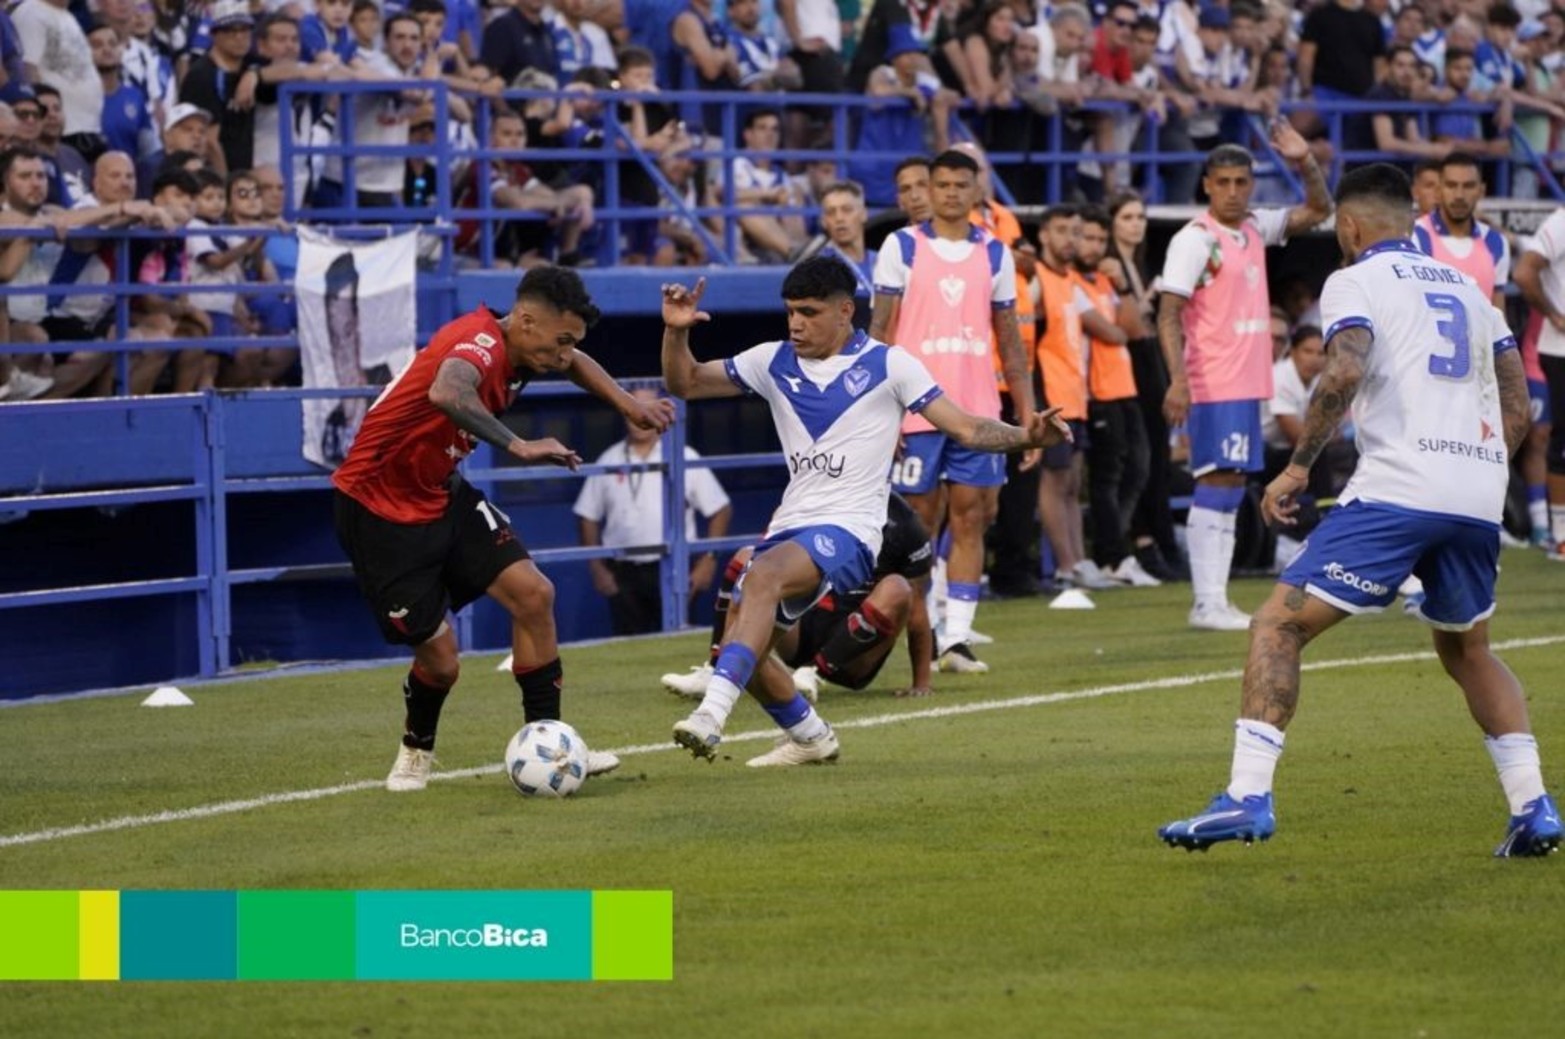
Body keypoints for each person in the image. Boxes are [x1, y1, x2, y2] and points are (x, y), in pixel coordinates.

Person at [1158, 162, 1561, 859]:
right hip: (1474, 492)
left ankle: (1246, 796)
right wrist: (1479, 467)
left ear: (1347, 225)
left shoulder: (1353, 280)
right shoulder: (1470, 290)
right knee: (1469, 650)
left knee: (1276, 626)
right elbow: (1518, 405)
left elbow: (1341, 369)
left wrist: (1296, 466)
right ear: (1412, 218)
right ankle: (1533, 807)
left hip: (1399, 485)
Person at [659, 256, 1068, 766]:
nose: (795, 324)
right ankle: (812, 738)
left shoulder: (889, 365)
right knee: (749, 645)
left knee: (759, 576)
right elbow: (686, 384)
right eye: (790, 312)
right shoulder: (771, 361)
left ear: (845, 311)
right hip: (791, 524)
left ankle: (711, 716)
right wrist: (676, 334)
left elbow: (964, 428)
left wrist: (1025, 436)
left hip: (851, 529)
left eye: (808, 312)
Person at [331, 265, 675, 792]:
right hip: (378, 509)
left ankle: (552, 740)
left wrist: (630, 404)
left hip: (442, 493)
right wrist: (519, 445)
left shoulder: (528, 345)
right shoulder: (478, 343)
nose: (563, 356)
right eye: (559, 341)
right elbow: (448, 393)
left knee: (534, 594)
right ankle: (416, 748)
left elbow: (577, 362)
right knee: (443, 665)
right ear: (527, 319)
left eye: (571, 343)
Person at [1157, 122, 1332, 631]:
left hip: (1246, 381)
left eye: (1241, 182)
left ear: (1251, 183)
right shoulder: (1195, 240)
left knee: (1230, 486)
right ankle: (1207, 601)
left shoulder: (1255, 227)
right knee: (1216, 482)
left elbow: (1319, 210)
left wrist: (1304, 161)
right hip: (1214, 379)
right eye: (1223, 182)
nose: (1233, 191)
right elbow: (1169, 313)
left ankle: (1214, 598)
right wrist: (1178, 379)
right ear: (1207, 184)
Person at [871, 148, 1038, 672]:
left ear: (974, 190)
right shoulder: (901, 247)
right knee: (920, 524)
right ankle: (927, 631)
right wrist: (882, 411)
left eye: (958, 185)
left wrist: (1026, 415)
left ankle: (957, 639)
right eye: (939, 184)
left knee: (972, 520)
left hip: (978, 411)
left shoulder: (995, 253)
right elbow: (878, 333)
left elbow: (1010, 342)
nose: (948, 193)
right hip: (918, 410)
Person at [662, 490, 935, 700]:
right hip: (801, 629)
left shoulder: (903, 524)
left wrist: (921, 683)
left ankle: (814, 675)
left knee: (897, 587)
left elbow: (918, 608)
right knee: (747, 559)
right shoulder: (808, 502)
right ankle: (717, 669)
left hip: (855, 656)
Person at [574, 386, 733, 635]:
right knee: (627, 648)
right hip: (623, 572)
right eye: (634, 409)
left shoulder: (683, 455)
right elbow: (587, 515)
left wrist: (708, 560)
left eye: (648, 409)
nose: (640, 416)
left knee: (676, 643)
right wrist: (596, 568)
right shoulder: (609, 458)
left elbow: (720, 509)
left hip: (674, 566)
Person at [1514, 204, 1565, 561]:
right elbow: (1524, 271)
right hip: (1561, 348)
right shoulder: (1561, 221)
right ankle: (1560, 535)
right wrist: (1553, 313)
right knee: (1561, 438)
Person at [1412, 152, 1509, 308]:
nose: (1459, 195)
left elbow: (1498, 314)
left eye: (1468, 186)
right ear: (1438, 191)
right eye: (1451, 185)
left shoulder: (1495, 242)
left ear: (1481, 191)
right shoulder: (1414, 237)